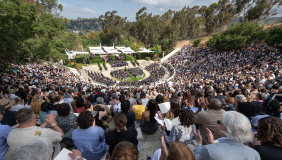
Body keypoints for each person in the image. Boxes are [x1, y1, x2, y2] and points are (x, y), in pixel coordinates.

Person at [193, 111, 260, 160]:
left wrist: (199, 143)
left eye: (219, 122)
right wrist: (212, 144)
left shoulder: (208, 150)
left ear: (224, 128)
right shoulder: (254, 154)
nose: (218, 124)